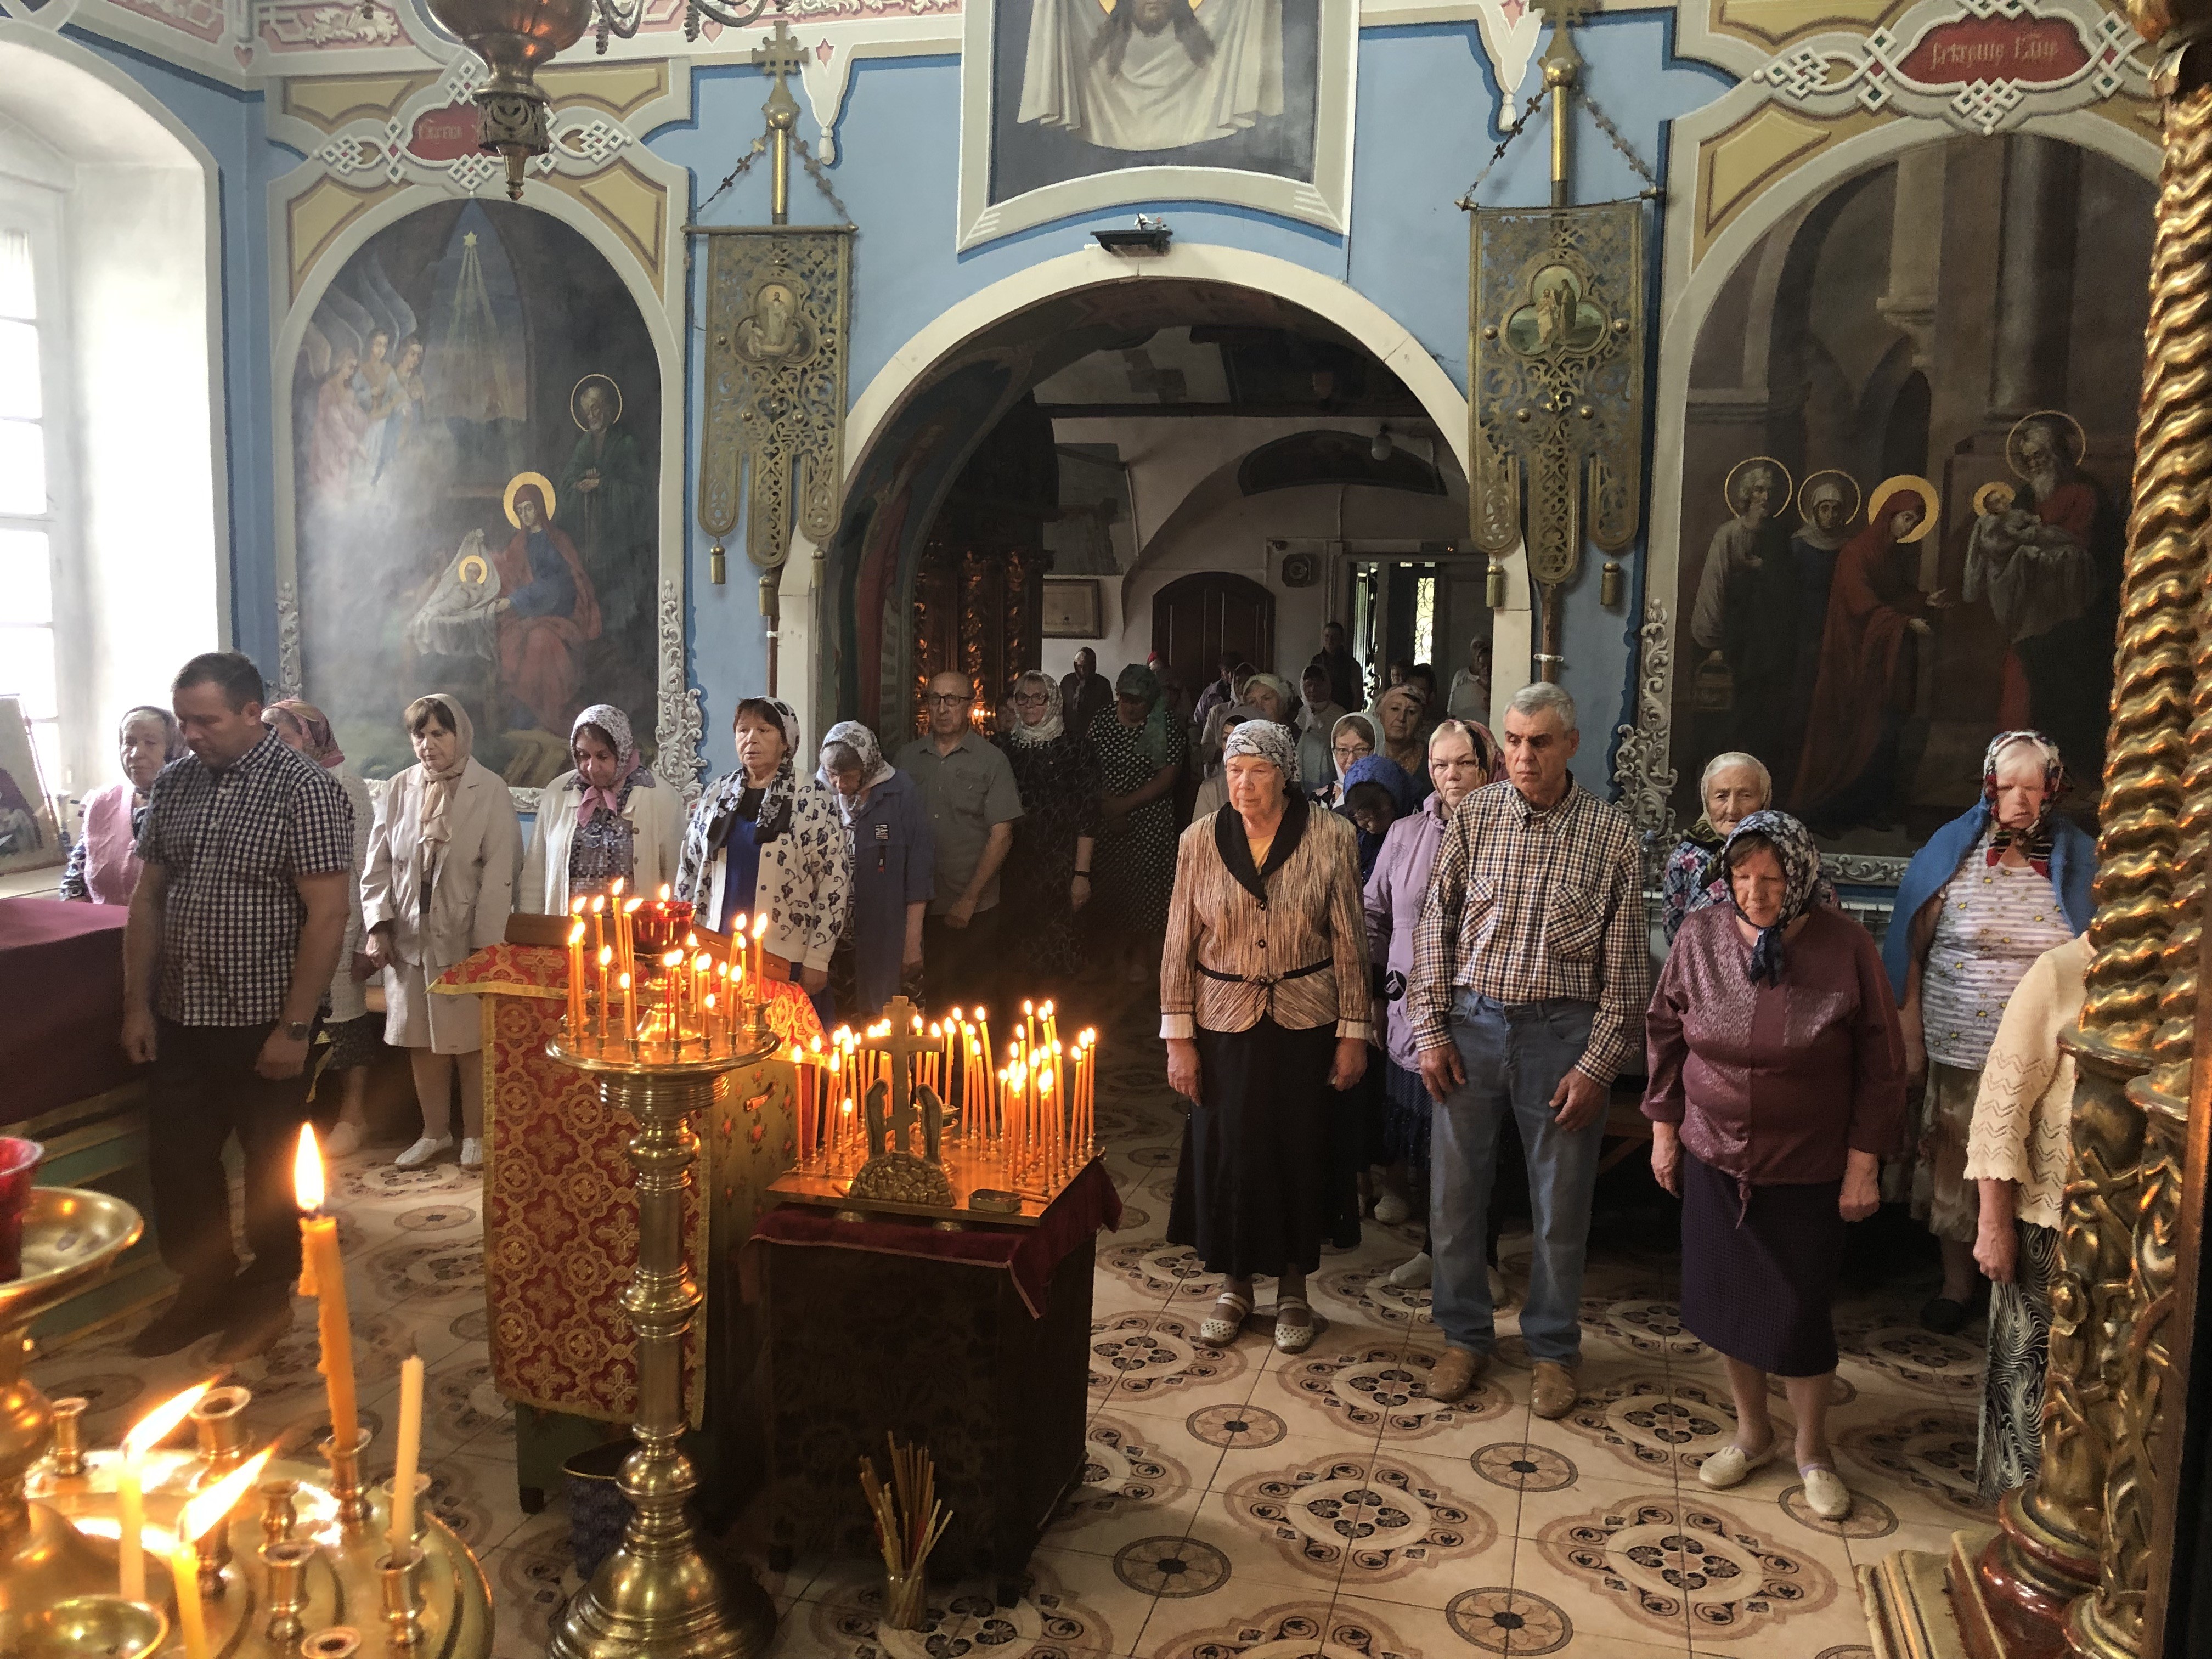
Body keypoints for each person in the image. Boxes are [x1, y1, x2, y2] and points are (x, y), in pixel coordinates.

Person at [1644, 811, 1906, 1523]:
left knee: (1798, 1316)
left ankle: (1813, 1450)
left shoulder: (1846, 946)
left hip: (1806, 1166)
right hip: (1714, 1154)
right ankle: (1752, 1434)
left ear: (1802, 879)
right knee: (1728, 1305)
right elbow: (1665, 1033)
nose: (1755, 894)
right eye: (1741, 877)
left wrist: (1863, 1165)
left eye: (1772, 879)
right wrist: (1665, 1132)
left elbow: (1882, 1065)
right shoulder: (1700, 936)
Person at [1408, 682, 1648, 1413]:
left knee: (1560, 1206)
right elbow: (1434, 926)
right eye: (1512, 741)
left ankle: (1552, 1349)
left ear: (1570, 744)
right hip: (1472, 1026)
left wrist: (1597, 1066)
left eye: (1539, 742)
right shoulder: (1476, 815)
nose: (1522, 756)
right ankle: (1463, 1336)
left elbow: (1627, 974)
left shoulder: (1611, 834)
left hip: (1562, 1036)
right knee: (1455, 1198)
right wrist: (1431, 1030)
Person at [121, 652, 354, 1359]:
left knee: (269, 1168)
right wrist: (137, 1007)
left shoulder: (305, 790)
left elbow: (328, 914)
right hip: (181, 1013)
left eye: (206, 721)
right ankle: (203, 1289)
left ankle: (266, 1296)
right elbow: (148, 898)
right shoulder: (178, 783)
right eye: (183, 721)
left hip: (263, 1020)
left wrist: (295, 1027)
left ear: (253, 713)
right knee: (180, 1161)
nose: (190, 734)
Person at [1163, 721, 1370, 1355]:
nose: (1244, 783)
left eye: (1258, 770)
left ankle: (1294, 1288)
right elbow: (1178, 941)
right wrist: (1178, 1038)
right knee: (1231, 1151)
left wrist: (1353, 1032)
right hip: (1222, 1020)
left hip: (1306, 1021)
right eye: (1234, 770)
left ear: (1285, 774)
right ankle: (1235, 1285)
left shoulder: (1332, 835)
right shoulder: (1199, 840)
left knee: (1297, 1150)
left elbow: (1350, 940)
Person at [1887, 730, 2094, 1333]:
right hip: (1961, 1044)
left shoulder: (2084, 858)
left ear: (2054, 788)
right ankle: (1956, 1285)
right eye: (2007, 787)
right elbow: (1910, 951)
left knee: (2037, 1166)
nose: (2020, 800)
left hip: (2049, 1060)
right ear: (1988, 787)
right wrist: (1910, 1038)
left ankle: (2029, 1289)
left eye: (2033, 787)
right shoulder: (1951, 852)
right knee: (1956, 1163)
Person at [1365, 720, 1502, 1285]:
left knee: (1477, 1142)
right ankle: (1433, 1250)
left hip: (1480, 1012)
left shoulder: (1506, 831)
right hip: (1410, 1009)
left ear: (1487, 766)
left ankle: (1482, 1259)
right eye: (1441, 765)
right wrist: (1376, 996)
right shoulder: (1405, 834)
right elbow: (1373, 915)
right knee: (1427, 1138)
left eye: (1464, 764)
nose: (1452, 776)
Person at [360, 695, 521, 1173]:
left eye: (438, 734)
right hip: (410, 932)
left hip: (465, 933)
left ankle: (476, 1134)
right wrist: (379, 925)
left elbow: (501, 870)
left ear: (459, 734)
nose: (428, 745)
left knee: (468, 1039)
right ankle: (434, 1132)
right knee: (421, 1037)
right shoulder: (399, 787)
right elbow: (378, 864)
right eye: (420, 735)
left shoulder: (489, 789)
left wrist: (485, 946)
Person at [1965, 931, 2089, 1499]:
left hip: (2139, 1239)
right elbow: (2001, 1109)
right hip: (2047, 1228)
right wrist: (1994, 1225)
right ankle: (2012, 1525)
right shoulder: (2060, 971)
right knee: (2028, 1391)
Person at [678, 697, 853, 1029]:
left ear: (786, 741)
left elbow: (834, 881)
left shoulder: (811, 796)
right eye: (743, 730)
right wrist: (684, 934)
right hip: (716, 948)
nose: (751, 739)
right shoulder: (717, 793)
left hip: (784, 956)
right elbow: (689, 869)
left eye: (764, 730)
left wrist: (819, 957)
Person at [262, 700, 379, 1160]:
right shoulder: (266, 786)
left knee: (345, 1020)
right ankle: (301, 1118)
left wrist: (369, 936)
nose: (276, 747)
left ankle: (353, 1115)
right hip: (289, 928)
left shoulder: (347, 785)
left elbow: (367, 865)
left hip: (342, 921)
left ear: (312, 739)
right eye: (268, 737)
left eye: (286, 737)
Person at [1790, 489, 1941, 832]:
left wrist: (1924, 599)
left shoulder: (1889, 553)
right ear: (1889, 514)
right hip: (1851, 658)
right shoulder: (1856, 553)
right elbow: (1862, 605)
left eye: (1916, 522)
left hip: (1879, 659)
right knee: (1849, 732)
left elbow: (1895, 596)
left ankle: (1868, 809)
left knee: (1882, 733)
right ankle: (1827, 812)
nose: (1909, 526)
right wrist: (1906, 623)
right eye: (1907, 518)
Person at [893, 673, 1023, 1011]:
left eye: (952, 700)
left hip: (972, 904)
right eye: (934, 699)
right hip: (918, 904)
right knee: (920, 1007)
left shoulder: (991, 761)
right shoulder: (906, 758)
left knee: (971, 1005)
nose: (942, 708)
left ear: (969, 706)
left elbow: (1002, 835)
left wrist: (969, 899)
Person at [817, 722, 933, 1020]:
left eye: (849, 776)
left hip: (887, 934)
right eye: (832, 774)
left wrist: (912, 942)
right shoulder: (817, 794)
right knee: (834, 1025)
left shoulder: (900, 791)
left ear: (867, 767)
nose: (839, 784)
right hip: (831, 939)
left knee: (886, 1024)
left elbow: (919, 870)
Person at [520, 704, 684, 913]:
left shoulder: (661, 797)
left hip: (633, 930)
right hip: (567, 928)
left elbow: (676, 877)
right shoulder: (557, 793)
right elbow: (535, 876)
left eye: (602, 757)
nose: (592, 767)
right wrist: (530, 927)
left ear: (622, 752)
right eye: (583, 755)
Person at [997, 672, 1102, 989]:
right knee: (1012, 955)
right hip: (1010, 862)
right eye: (1022, 697)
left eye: (1039, 697)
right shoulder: (1001, 747)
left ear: (1053, 701)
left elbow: (1088, 815)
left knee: (1057, 956)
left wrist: (1081, 874)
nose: (1030, 704)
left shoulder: (1077, 747)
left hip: (1060, 864)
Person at [1091, 663, 1187, 984]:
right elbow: (1088, 764)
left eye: (1138, 701)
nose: (1130, 707)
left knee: (1146, 890)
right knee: (1110, 886)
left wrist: (1124, 806)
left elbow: (1167, 777)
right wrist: (1108, 805)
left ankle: (1143, 955)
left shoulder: (1165, 724)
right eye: (1125, 699)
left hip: (1149, 820)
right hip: (1106, 812)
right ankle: (1114, 954)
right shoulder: (1104, 719)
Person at [492, 479, 602, 737]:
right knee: (520, 638)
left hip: (560, 612)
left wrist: (518, 599)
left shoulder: (558, 540)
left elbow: (562, 585)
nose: (525, 514)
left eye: (529, 508)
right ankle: (529, 707)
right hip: (525, 615)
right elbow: (507, 578)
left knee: (541, 640)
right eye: (520, 510)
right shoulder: (518, 544)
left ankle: (554, 708)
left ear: (540, 506)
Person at [63, 706, 185, 905]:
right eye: (129, 742)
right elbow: (74, 881)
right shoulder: (102, 802)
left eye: (150, 743)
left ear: (174, 750)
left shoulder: (193, 806)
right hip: (99, 923)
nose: (136, 754)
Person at [1339, 754, 1417, 882]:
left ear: (1397, 803)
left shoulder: (1416, 833)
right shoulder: (1341, 828)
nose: (1373, 825)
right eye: (1364, 818)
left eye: (1381, 815)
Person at [1296, 664, 1347, 796]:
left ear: (1327, 686)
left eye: (1318, 685)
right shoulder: (1300, 713)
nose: (1313, 690)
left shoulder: (1339, 714)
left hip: (1330, 768)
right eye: (1309, 685)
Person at [1373, 685, 1430, 797]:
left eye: (1412, 712)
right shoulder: (1365, 753)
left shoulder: (1433, 759)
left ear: (1421, 721)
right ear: (1380, 714)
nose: (1401, 718)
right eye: (1395, 709)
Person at [1314, 713, 1376, 810]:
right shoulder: (1318, 800)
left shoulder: (1389, 796)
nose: (1351, 760)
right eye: (1343, 750)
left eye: (1361, 750)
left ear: (1377, 749)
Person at [1060, 648, 1115, 741]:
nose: (1083, 670)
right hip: (1068, 736)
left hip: (1094, 736)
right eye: (1079, 666)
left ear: (1093, 666)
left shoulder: (1103, 684)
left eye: (1086, 667)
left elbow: (1108, 714)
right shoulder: (1067, 681)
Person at [1311, 621, 1362, 716]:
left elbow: (1358, 696)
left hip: (1342, 713)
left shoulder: (1351, 664)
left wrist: (1351, 718)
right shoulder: (1316, 661)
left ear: (1341, 639)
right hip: (1319, 714)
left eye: (1334, 637)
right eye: (1327, 636)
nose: (1330, 640)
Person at [1192, 651, 1241, 736]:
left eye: (1234, 672)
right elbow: (1198, 719)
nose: (1231, 676)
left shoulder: (1244, 692)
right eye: (1227, 672)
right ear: (1222, 672)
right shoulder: (1210, 693)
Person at [1446, 639, 1493, 723]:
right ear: (1477, 665)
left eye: (1490, 666)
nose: (1486, 669)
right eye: (1482, 665)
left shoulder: (1500, 691)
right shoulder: (1463, 692)